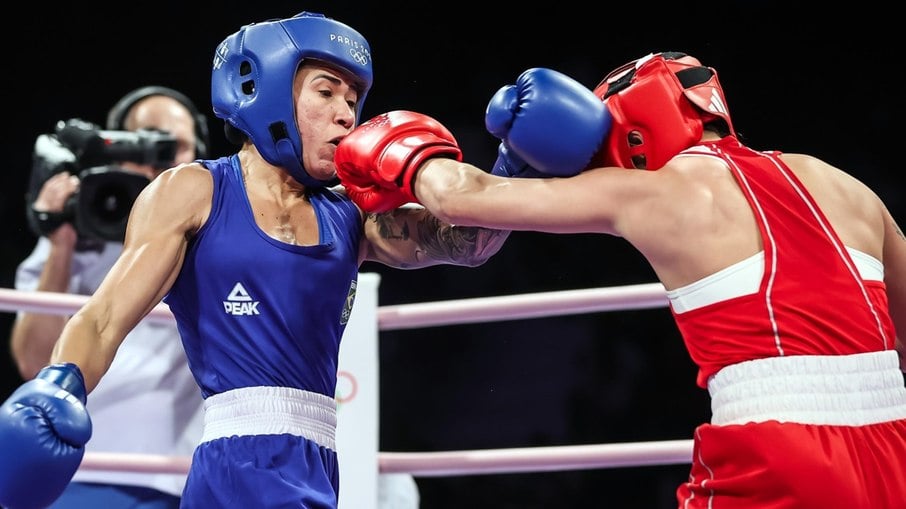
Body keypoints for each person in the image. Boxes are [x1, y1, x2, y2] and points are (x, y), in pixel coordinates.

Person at [331, 52, 906, 508]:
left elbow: (461, 201)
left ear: (629, 135)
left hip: (778, 448)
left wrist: (404, 148)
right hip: (891, 446)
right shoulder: (844, 185)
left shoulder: (652, 192)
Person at [0, 11, 506, 509]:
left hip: (319, 462)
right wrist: (60, 384)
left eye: (353, 100)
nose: (347, 115)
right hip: (236, 463)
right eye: (326, 92)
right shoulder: (194, 190)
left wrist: (517, 162)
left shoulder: (351, 214)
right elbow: (104, 317)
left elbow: (471, 243)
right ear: (263, 91)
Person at [9, 85, 210, 508]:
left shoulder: (216, 237)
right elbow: (33, 362)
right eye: (149, 143)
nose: (163, 162)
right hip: (73, 474)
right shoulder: (77, 235)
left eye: (176, 148)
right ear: (118, 150)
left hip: (176, 479)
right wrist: (60, 244)